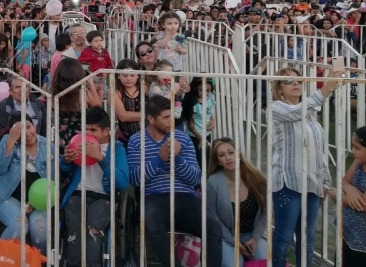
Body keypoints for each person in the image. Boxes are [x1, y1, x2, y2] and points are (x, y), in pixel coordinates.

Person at [128, 96, 222, 267]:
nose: (171, 121)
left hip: (185, 196)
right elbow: (134, 179)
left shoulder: (183, 139)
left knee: (213, 227)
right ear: (151, 119)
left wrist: (178, 159)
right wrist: (159, 159)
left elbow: (195, 179)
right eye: (165, 117)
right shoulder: (136, 141)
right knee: (152, 221)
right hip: (154, 197)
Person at [270, 66, 341, 267]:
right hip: (288, 182)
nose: (295, 83)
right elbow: (295, 113)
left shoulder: (311, 115)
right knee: (284, 237)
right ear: (279, 88)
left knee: (307, 238)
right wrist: (326, 88)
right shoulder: (276, 108)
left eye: (299, 80)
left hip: (312, 183)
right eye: (288, 81)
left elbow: (319, 150)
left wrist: (325, 181)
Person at [60, 106, 129, 267]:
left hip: (103, 197)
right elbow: (63, 172)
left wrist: (100, 158)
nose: (88, 134)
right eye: (85, 129)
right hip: (78, 193)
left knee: (93, 230)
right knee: (75, 230)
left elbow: (122, 182)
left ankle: (93, 263)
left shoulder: (116, 149)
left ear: (106, 131)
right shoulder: (78, 143)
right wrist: (66, 160)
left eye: (93, 130)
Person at [0, 111, 57, 256]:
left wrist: (34, 201)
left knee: (40, 227)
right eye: (20, 131)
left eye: (28, 127)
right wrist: (10, 141)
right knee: (19, 225)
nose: (27, 133)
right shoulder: (8, 141)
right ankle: (3, 261)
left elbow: (52, 180)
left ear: (34, 126)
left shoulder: (48, 147)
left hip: (38, 199)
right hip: (7, 196)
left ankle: (39, 261)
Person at [207, 137, 269, 267]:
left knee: (264, 260)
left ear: (238, 154)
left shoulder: (255, 177)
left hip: (254, 233)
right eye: (222, 155)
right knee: (233, 264)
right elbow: (212, 215)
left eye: (231, 152)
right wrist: (233, 240)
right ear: (218, 162)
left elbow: (266, 211)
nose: (228, 157)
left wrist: (255, 238)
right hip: (227, 234)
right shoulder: (213, 182)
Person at [337, 125, 366, 265]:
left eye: (357, 148)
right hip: (347, 232)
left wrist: (336, 196)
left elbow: (363, 205)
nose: (352, 151)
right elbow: (344, 181)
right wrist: (350, 189)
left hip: (362, 242)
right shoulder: (359, 162)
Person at [112, 59, 143, 146]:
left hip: (148, 137)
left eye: (132, 75)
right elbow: (123, 116)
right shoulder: (115, 93)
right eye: (125, 75)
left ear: (138, 75)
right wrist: (149, 114)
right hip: (126, 139)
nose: (129, 78)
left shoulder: (145, 89)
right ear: (118, 76)